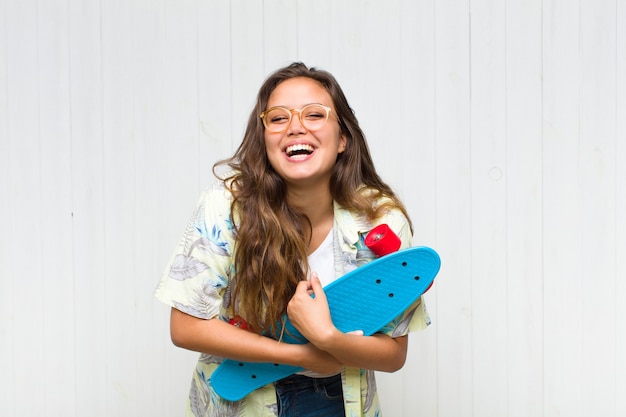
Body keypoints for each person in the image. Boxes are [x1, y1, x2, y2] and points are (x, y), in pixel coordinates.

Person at [155, 62, 431, 417]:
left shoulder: (382, 220)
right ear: (264, 137)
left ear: (343, 138)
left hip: (336, 400)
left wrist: (329, 338)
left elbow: (394, 355)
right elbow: (185, 327)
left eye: (314, 115)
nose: (296, 127)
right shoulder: (226, 205)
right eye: (278, 118)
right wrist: (303, 355)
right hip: (240, 400)